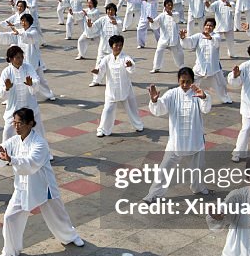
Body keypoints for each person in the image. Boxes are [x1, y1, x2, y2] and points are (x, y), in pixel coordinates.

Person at [0, 107, 84, 256]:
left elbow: (31, 163)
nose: (16, 127)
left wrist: (12, 160)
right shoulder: (14, 140)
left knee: (58, 217)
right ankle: (10, 250)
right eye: (15, 123)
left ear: (30, 123)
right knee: (10, 217)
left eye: (20, 123)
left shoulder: (40, 143)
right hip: (22, 187)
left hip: (44, 187)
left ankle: (71, 237)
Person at [144, 67, 212, 199]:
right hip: (176, 142)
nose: (185, 85)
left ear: (193, 81)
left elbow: (206, 109)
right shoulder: (172, 94)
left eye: (188, 81)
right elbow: (160, 109)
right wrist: (154, 100)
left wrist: (204, 97)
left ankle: (198, 187)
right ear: (178, 81)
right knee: (164, 170)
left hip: (195, 139)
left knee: (197, 169)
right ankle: (154, 194)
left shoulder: (197, 92)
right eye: (182, 82)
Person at [91, 35, 144, 137]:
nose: (119, 47)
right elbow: (101, 68)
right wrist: (97, 71)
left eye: (120, 45)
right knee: (107, 110)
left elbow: (131, 66)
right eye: (116, 45)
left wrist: (130, 65)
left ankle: (138, 125)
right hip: (112, 90)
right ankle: (102, 129)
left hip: (125, 89)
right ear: (111, 46)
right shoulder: (107, 58)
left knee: (132, 109)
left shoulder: (125, 57)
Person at [180, 18, 231, 104]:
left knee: (221, 84)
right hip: (200, 66)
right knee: (191, 82)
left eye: (211, 26)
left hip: (213, 67)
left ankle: (225, 98)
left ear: (214, 27)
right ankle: (187, 97)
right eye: (207, 25)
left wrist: (210, 38)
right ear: (204, 26)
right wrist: (183, 38)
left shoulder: (216, 36)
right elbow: (189, 43)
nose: (208, 27)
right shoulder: (199, 36)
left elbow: (216, 43)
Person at [0, 45, 43, 141]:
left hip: (30, 107)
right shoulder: (6, 72)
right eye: (18, 57)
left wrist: (32, 84)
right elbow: (1, 94)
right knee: (7, 132)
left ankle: (45, 155)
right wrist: (7, 88)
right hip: (14, 109)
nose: (21, 59)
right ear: (11, 59)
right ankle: (5, 153)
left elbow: (36, 81)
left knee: (38, 132)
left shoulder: (28, 67)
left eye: (22, 57)